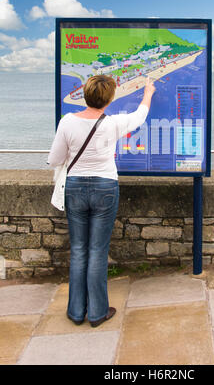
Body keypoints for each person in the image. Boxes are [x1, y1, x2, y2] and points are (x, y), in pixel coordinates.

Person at [48, 75, 155, 327]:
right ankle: (97, 313)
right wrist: (148, 92)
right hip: (105, 187)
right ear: (109, 99)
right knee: (97, 250)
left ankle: (75, 312)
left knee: (78, 250)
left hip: (74, 188)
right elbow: (140, 115)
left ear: (85, 94)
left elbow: (54, 159)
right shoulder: (113, 123)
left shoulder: (67, 123)